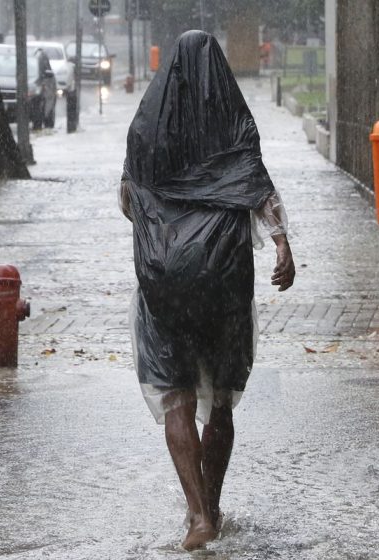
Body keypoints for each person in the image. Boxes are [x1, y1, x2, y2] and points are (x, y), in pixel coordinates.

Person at [120, 30, 295, 551]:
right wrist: (283, 245)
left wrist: (171, 224)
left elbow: (129, 201)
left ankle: (198, 517)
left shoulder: (147, 129)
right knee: (220, 400)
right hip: (223, 280)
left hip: (166, 282)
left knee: (175, 395)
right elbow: (259, 189)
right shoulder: (233, 122)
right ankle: (214, 504)